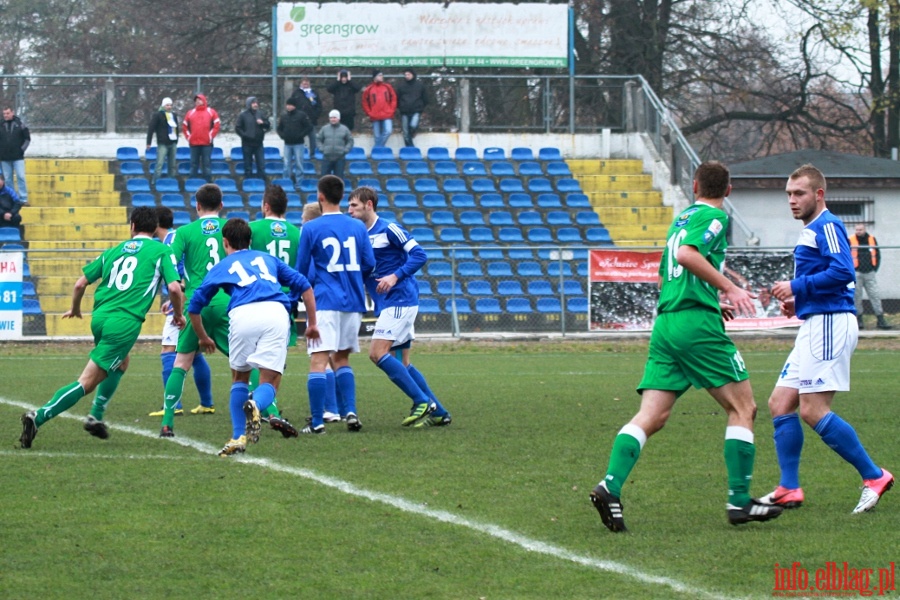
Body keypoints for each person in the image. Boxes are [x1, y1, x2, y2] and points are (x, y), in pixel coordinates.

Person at [589, 161, 783, 532]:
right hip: (694, 325)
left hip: (667, 323)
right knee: (744, 407)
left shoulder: (680, 220)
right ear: (729, 190)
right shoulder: (713, 218)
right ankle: (740, 501)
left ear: (695, 185)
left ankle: (609, 486)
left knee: (652, 415)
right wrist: (729, 288)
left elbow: (669, 274)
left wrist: (711, 299)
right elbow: (687, 256)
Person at [762, 164, 894, 514]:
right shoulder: (811, 229)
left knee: (813, 409)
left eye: (799, 193)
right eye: (789, 194)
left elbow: (842, 271)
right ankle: (789, 487)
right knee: (780, 402)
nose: (792, 200)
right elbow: (826, 277)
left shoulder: (828, 224)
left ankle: (874, 475)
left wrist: (796, 287)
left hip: (831, 324)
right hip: (815, 322)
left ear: (819, 194)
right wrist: (798, 301)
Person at [19, 206, 184, 449]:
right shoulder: (161, 250)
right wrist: (178, 315)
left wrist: (75, 309)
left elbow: (79, 284)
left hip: (100, 318)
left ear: (132, 226)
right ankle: (38, 417)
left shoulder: (113, 251)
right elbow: (174, 288)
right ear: (153, 227)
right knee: (86, 381)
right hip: (124, 323)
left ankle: (96, 415)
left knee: (122, 361)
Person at [188, 218, 318, 456]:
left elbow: (194, 306)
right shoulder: (267, 259)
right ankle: (257, 403)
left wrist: (203, 336)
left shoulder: (222, 265)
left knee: (239, 377)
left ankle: (238, 436)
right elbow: (305, 286)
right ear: (250, 241)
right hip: (275, 312)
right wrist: (312, 324)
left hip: (242, 313)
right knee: (270, 380)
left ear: (224, 242)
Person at [348, 186, 452, 427]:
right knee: (402, 362)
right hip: (388, 303)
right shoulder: (358, 235)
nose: (349, 210)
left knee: (376, 353)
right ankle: (439, 413)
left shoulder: (389, 228)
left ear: (369, 205)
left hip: (400, 299)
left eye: (354, 205)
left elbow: (419, 254)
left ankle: (421, 401)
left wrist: (394, 276)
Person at [296, 175, 375, 434]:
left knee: (319, 360)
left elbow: (301, 271)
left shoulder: (310, 228)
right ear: (342, 197)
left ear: (320, 197)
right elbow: (369, 263)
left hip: (325, 302)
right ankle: (350, 410)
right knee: (342, 358)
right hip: (353, 301)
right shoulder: (358, 227)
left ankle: (318, 421)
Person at [158, 184, 233, 437]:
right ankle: (267, 412)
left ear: (197, 206)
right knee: (246, 361)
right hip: (226, 301)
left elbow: (170, 263)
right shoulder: (231, 229)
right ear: (221, 205)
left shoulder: (184, 232)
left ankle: (168, 422)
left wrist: (178, 292)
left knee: (181, 362)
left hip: (195, 304)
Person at [147, 206, 215, 417]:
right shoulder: (181, 234)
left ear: (155, 223)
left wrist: (178, 303)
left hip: (187, 303)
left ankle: (173, 405)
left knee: (169, 350)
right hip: (200, 297)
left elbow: (179, 277)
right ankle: (207, 403)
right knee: (192, 354)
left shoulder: (171, 240)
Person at [848, 223, 891, 330]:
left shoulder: (872, 239)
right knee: (857, 297)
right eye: (857, 230)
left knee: (875, 295)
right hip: (856, 273)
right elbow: (846, 256)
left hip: (869, 272)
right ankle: (859, 320)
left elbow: (877, 255)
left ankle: (880, 319)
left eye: (860, 229)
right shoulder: (851, 240)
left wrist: (874, 268)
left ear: (865, 229)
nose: (858, 231)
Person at [182, 94, 221, 182]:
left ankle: (208, 183)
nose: (198, 101)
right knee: (193, 164)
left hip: (207, 144)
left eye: (199, 99)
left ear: (204, 100)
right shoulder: (190, 113)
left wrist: (210, 136)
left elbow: (217, 125)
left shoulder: (211, 111)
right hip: (194, 144)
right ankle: (192, 183)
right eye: (196, 100)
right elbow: (184, 126)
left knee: (206, 164)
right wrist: (189, 137)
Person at [276, 98, 312, 184]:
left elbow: (309, 127)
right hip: (287, 144)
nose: (288, 107)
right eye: (287, 105)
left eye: (290, 105)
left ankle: (299, 182)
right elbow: (279, 128)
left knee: (299, 164)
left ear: (294, 106)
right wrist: (282, 136)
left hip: (298, 144)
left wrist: (301, 135)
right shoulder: (284, 116)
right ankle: (286, 182)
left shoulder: (302, 115)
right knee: (286, 164)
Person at [235, 96, 271, 179]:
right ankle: (248, 182)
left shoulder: (260, 114)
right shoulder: (243, 115)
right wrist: (244, 135)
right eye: (253, 103)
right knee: (248, 165)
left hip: (258, 143)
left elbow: (268, 125)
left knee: (261, 165)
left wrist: (262, 123)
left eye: (256, 103)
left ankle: (261, 182)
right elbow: (238, 128)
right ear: (249, 104)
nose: (255, 105)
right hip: (247, 143)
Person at [146, 97, 179, 184]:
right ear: (163, 105)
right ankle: (155, 181)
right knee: (159, 164)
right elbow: (151, 128)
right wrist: (148, 142)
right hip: (162, 143)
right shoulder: (158, 115)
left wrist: (176, 140)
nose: (169, 107)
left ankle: (171, 181)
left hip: (173, 142)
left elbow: (176, 128)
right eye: (167, 105)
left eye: (170, 105)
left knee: (172, 165)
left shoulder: (174, 115)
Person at [0, 106, 30, 204]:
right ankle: (12, 199)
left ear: (12, 112)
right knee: (8, 179)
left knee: (21, 176)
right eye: (4, 114)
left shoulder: (20, 124)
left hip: (18, 157)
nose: (6, 115)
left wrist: (21, 150)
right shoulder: (1, 124)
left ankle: (23, 199)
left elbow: (27, 139)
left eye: (7, 113)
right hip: (4, 158)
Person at [362, 70, 397, 148]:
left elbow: (394, 98)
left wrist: (391, 110)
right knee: (377, 136)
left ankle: (376, 148)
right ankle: (378, 154)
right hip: (375, 115)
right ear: (375, 77)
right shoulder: (369, 88)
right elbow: (364, 102)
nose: (382, 77)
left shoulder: (387, 87)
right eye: (380, 75)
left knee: (388, 131)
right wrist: (369, 112)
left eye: (382, 75)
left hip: (387, 114)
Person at [290, 78, 322, 157]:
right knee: (298, 138)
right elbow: (291, 105)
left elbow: (319, 106)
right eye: (304, 84)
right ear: (301, 84)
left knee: (313, 138)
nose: (305, 85)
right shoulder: (296, 93)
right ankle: (298, 154)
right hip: (299, 121)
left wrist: (315, 116)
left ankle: (312, 154)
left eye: (307, 84)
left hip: (311, 121)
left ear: (309, 84)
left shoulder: (314, 93)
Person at [316, 110, 354, 178]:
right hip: (327, 157)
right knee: (324, 179)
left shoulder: (344, 129)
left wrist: (345, 150)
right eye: (331, 117)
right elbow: (318, 139)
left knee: (339, 179)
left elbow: (350, 141)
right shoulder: (324, 128)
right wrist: (322, 149)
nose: (333, 119)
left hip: (340, 158)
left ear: (338, 118)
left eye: (335, 117)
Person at [396, 68, 428, 148]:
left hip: (416, 110)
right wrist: (400, 107)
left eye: (408, 74)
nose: (407, 76)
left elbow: (425, 98)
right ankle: (410, 148)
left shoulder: (420, 85)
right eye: (405, 75)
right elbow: (397, 98)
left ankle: (413, 134)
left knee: (413, 125)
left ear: (413, 75)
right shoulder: (401, 86)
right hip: (404, 111)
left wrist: (421, 107)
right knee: (405, 132)